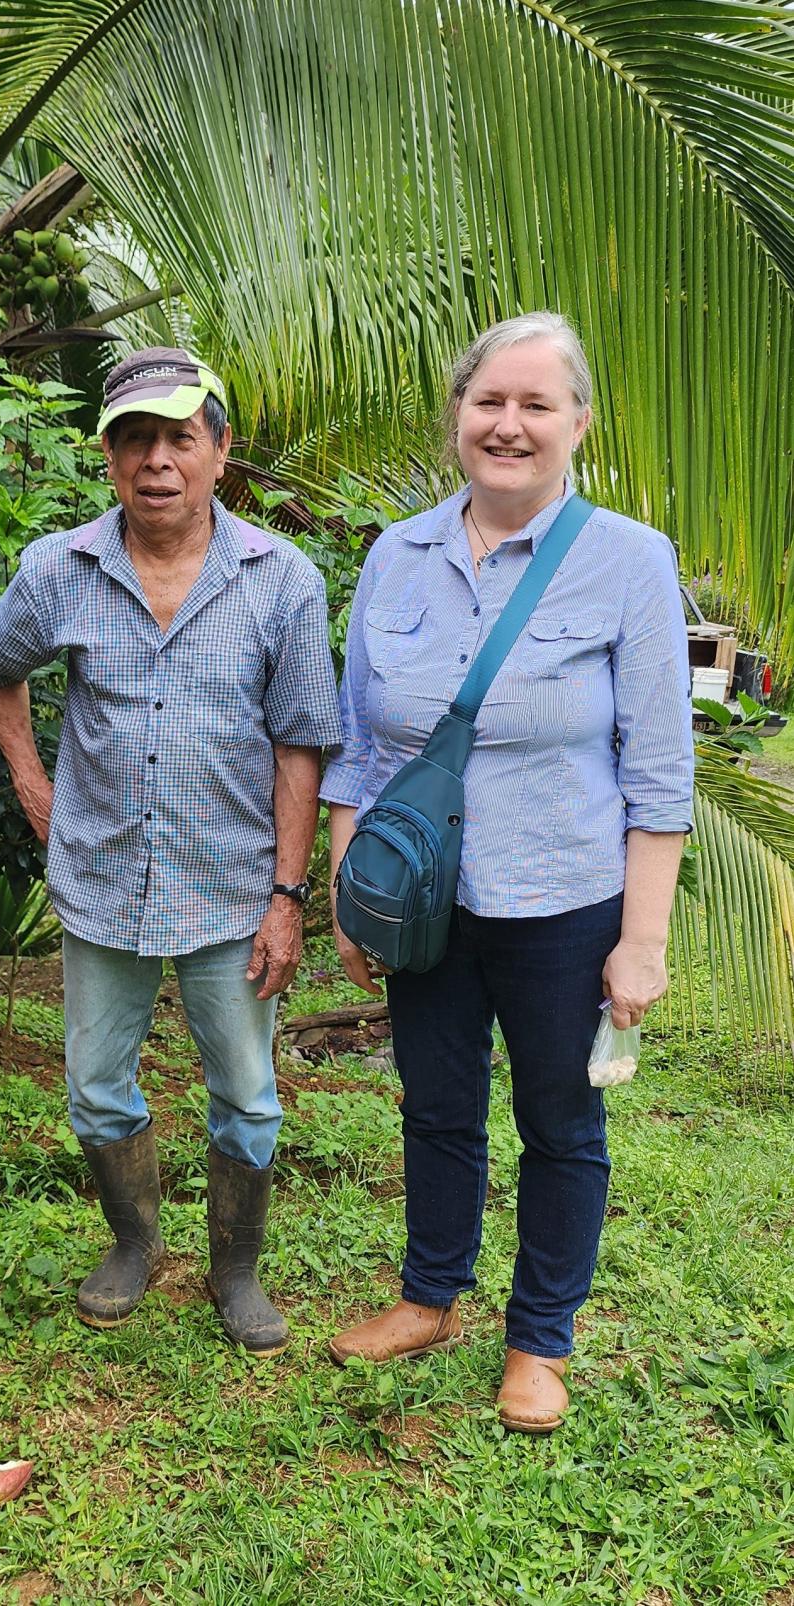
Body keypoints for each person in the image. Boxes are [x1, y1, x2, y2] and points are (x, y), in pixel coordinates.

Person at [322, 312, 693, 1431]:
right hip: (428, 903)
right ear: (457, 417)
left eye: (537, 404)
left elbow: (659, 775)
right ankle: (429, 1294)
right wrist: (352, 890)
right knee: (435, 1106)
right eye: (490, 401)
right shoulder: (398, 553)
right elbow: (361, 745)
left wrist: (642, 939)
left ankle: (539, 1339)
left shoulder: (629, 559)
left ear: (579, 421)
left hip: (563, 903)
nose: (510, 424)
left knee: (560, 1123)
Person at [0, 347, 341, 1356]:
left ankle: (237, 1267)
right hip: (102, 881)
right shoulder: (59, 569)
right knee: (95, 1081)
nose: (157, 460)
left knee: (249, 1093)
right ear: (108, 456)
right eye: (135, 437)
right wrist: (32, 782)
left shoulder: (283, 581)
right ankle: (133, 1243)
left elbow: (304, 740)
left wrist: (287, 894)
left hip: (232, 885)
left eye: (181, 436)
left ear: (221, 451)